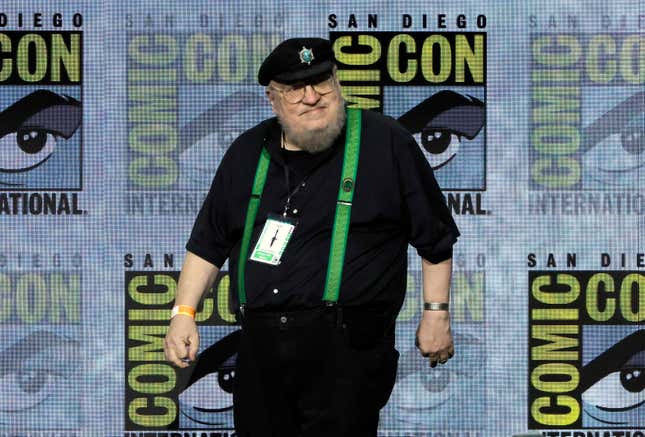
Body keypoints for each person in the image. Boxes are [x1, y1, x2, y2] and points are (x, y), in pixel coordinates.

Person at [163, 37, 460, 437]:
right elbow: (208, 244)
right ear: (273, 99)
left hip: (348, 348)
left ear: (336, 81)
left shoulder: (386, 142)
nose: (311, 97)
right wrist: (183, 314)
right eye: (294, 88)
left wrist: (436, 313)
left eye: (321, 81)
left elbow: (435, 240)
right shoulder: (248, 151)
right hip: (260, 347)